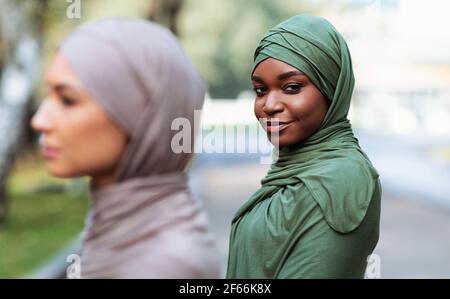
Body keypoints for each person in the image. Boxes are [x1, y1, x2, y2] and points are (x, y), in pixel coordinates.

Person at [31, 18, 221, 278]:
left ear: (141, 115)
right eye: (48, 96)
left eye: (67, 100)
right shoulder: (115, 232)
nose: (40, 120)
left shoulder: (164, 266)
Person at [226, 14, 381, 279]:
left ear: (331, 89)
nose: (269, 105)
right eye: (260, 90)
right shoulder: (297, 170)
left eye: (292, 87)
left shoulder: (342, 178)